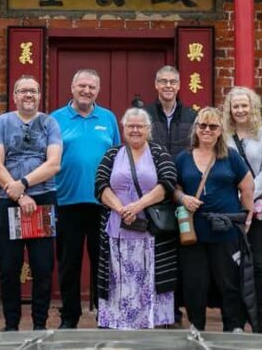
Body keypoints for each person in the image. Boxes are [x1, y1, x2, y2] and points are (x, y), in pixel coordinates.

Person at [0, 76, 62, 331]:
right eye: (23, 91)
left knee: (43, 266)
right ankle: (11, 325)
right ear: (15, 96)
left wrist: (24, 184)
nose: (28, 95)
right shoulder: (3, 122)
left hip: (43, 199)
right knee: (9, 267)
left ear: (39, 96)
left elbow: (54, 164)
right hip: (10, 201)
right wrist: (19, 194)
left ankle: (40, 324)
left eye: (33, 91)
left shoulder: (49, 123)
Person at [94, 108, 178, 329]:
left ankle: (149, 320)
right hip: (117, 227)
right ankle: (117, 321)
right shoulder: (112, 154)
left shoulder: (159, 153)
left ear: (148, 129)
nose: (135, 130)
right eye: (130, 126)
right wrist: (121, 209)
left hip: (150, 230)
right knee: (118, 277)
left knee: (149, 276)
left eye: (140, 126)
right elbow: (100, 185)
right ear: (123, 129)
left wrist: (139, 205)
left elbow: (168, 183)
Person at [173, 107, 255, 332]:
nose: (207, 130)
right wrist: (183, 198)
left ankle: (233, 325)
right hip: (194, 232)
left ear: (220, 131)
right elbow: (174, 188)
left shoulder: (230, 157)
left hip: (225, 230)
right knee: (194, 282)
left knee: (228, 281)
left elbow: (247, 186)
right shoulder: (183, 158)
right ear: (196, 129)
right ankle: (196, 325)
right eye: (202, 126)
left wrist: (247, 217)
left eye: (212, 126)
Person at [51, 69, 121, 329]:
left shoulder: (108, 118)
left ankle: (106, 314)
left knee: (103, 263)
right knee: (68, 264)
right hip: (66, 202)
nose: (86, 91)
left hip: (102, 204)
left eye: (92, 87)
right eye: (82, 86)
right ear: (72, 87)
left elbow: (117, 158)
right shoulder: (55, 119)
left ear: (98, 90)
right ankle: (70, 316)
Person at [143, 64, 196, 327]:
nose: (167, 86)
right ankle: (151, 312)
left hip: (182, 196)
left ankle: (174, 313)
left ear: (179, 85)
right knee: (152, 255)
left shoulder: (191, 117)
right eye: (162, 81)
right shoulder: (143, 115)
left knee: (179, 256)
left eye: (172, 82)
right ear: (156, 85)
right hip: (150, 196)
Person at [223, 86, 262, 334]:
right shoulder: (223, 136)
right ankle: (235, 321)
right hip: (232, 209)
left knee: (258, 265)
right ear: (230, 110)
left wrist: (247, 197)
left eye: (245, 105)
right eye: (236, 106)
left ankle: (261, 322)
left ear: (252, 107)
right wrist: (236, 200)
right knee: (232, 265)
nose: (240, 110)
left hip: (257, 206)